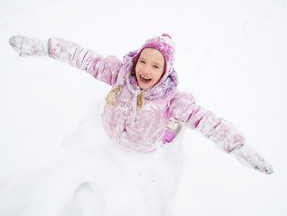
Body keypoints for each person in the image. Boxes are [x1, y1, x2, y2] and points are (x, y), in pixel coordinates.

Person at [9, 33, 273, 175]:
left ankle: (170, 131)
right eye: (143, 61)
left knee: (170, 128)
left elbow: (209, 122)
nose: (146, 69)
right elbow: (82, 57)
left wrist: (239, 146)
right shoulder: (118, 75)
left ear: (165, 72)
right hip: (109, 129)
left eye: (155, 65)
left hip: (145, 144)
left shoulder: (173, 99)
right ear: (135, 61)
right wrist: (45, 47)